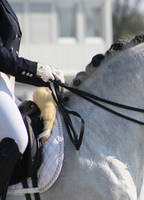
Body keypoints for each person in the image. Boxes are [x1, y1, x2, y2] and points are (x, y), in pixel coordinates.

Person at [0, 0, 64, 197]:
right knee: (17, 136)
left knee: (33, 122)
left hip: (5, 84)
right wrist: (35, 69)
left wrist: (43, 77)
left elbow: (9, 60)